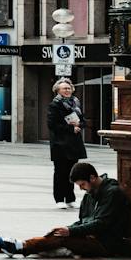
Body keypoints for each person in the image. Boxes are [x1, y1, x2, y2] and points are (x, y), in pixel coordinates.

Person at [0, 161, 131, 257]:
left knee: (61, 239)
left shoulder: (112, 193)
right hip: (90, 237)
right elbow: (83, 220)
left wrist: (70, 231)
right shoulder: (91, 193)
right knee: (55, 236)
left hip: (105, 243)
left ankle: (16, 246)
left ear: (92, 177)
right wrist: (69, 229)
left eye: (82, 184)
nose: (82, 189)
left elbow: (102, 223)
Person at [47, 78, 87, 208]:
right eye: (64, 88)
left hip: (73, 143)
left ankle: (70, 198)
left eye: (69, 88)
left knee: (72, 172)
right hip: (60, 143)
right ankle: (59, 199)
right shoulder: (55, 105)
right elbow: (52, 124)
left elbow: (83, 121)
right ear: (58, 90)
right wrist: (71, 128)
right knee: (60, 172)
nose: (67, 90)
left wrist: (79, 124)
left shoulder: (76, 103)